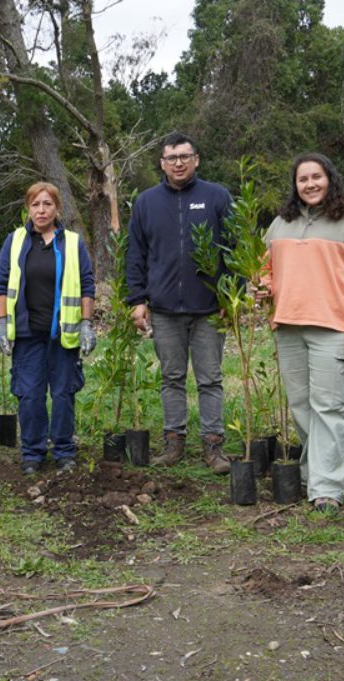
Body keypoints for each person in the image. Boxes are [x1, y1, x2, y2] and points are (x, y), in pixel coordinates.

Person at [262, 152, 344, 513]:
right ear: (295, 185)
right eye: (303, 179)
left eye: (317, 177)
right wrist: (263, 287)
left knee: (332, 408)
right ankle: (313, 474)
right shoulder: (280, 224)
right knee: (302, 407)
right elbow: (264, 270)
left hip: (335, 329)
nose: (310, 184)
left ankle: (328, 488)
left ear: (330, 179)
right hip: (288, 328)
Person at [125, 132, 234, 473]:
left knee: (210, 379)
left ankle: (213, 447)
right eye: (171, 158)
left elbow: (233, 248)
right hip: (164, 309)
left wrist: (230, 295)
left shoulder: (217, 197)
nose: (179, 163)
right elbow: (135, 254)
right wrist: (137, 299)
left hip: (210, 309)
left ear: (196, 159)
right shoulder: (146, 203)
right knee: (171, 378)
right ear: (162, 163)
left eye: (185, 156)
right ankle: (174, 443)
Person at [0, 182, 97, 475]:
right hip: (27, 335)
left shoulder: (73, 243)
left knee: (63, 394)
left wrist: (86, 324)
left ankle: (64, 451)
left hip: (63, 336)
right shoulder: (15, 241)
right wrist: (1, 323)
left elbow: (87, 285)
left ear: (57, 208)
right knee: (30, 396)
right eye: (35, 204)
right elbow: (0, 285)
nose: (41, 210)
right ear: (28, 208)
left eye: (47, 204)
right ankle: (33, 453)